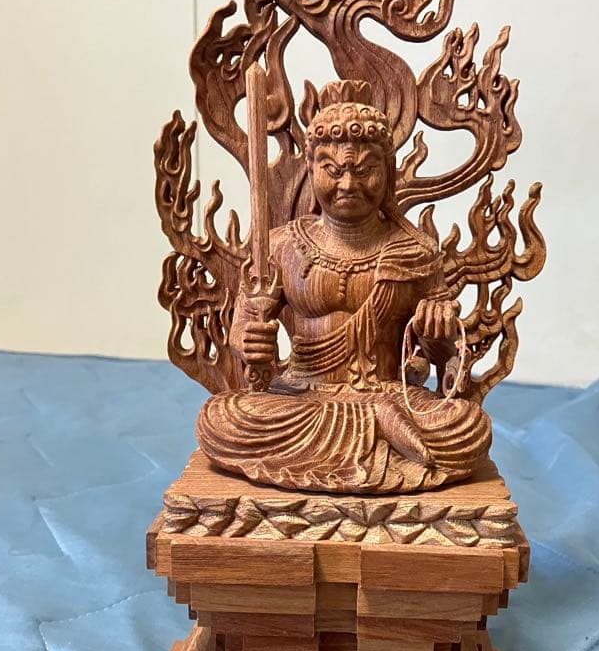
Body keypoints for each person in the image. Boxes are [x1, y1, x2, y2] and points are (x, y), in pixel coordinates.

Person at [196, 80, 491, 493]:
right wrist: (249, 342)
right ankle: (379, 441)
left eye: (365, 170)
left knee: (467, 426)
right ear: (311, 168)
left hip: (390, 395)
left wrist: (435, 331)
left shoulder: (415, 251)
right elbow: (241, 329)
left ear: (387, 173)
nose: (348, 185)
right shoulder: (280, 246)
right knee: (223, 417)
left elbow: (447, 359)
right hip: (303, 397)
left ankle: (376, 434)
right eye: (333, 171)